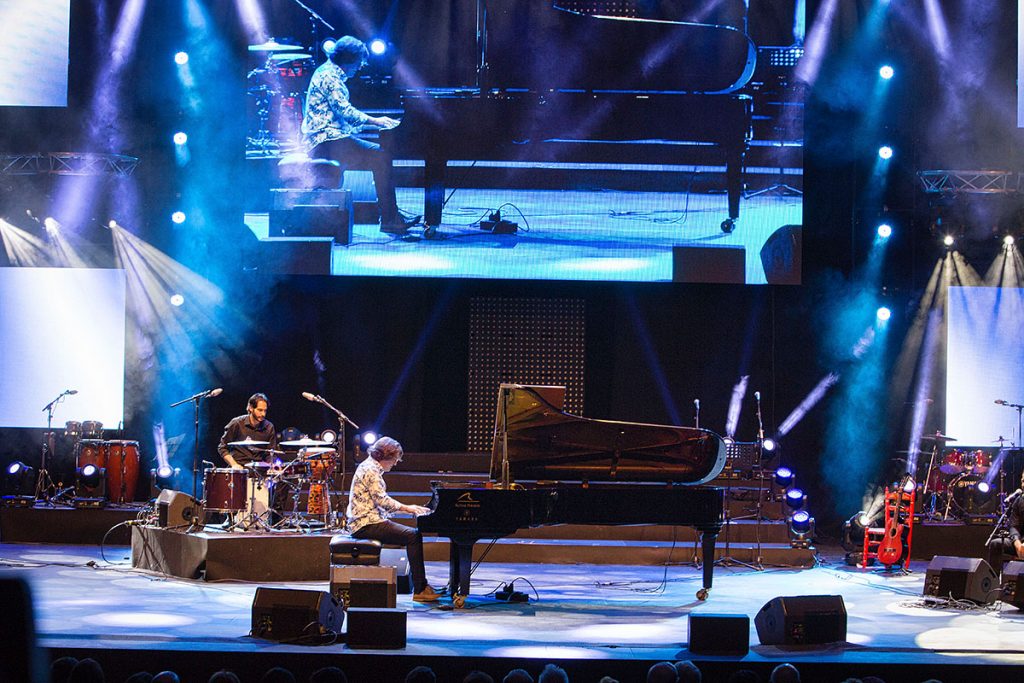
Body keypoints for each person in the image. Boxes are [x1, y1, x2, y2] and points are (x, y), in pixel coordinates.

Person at [301, 35, 418, 235]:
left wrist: (370, 124)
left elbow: (340, 117)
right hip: (326, 141)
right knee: (381, 157)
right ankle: (390, 219)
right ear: (348, 60)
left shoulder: (328, 72)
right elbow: (345, 111)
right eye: (358, 63)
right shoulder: (330, 77)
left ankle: (391, 217)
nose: (359, 67)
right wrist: (376, 121)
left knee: (378, 155)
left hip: (331, 139)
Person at [346, 436, 440, 602]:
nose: (396, 463)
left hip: (368, 521)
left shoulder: (369, 467)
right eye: (395, 459)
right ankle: (420, 590)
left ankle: (422, 587)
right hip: (365, 524)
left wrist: (408, 508)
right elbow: (382, 501)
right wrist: (408, 508)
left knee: (411, 534)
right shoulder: (371, 470)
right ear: (384, 456)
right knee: (413, 536)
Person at [217, 393, 277, 468]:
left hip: (259, 470)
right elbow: (222, 448)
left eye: (265, 411)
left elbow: (270, 453)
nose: (263, 414)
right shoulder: (237, 423)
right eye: (260, 410)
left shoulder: (269, 427)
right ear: (251, 408)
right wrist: (234, 464)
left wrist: (273, 465)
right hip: (239, 469)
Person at [985, 473, 1024, 573]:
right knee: (996, 544)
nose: (1023, 484)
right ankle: (993, 580)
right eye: (1023, 481)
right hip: (1021, 543)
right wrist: (1017, 543)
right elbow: (1013, 525)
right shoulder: (1019, 500)